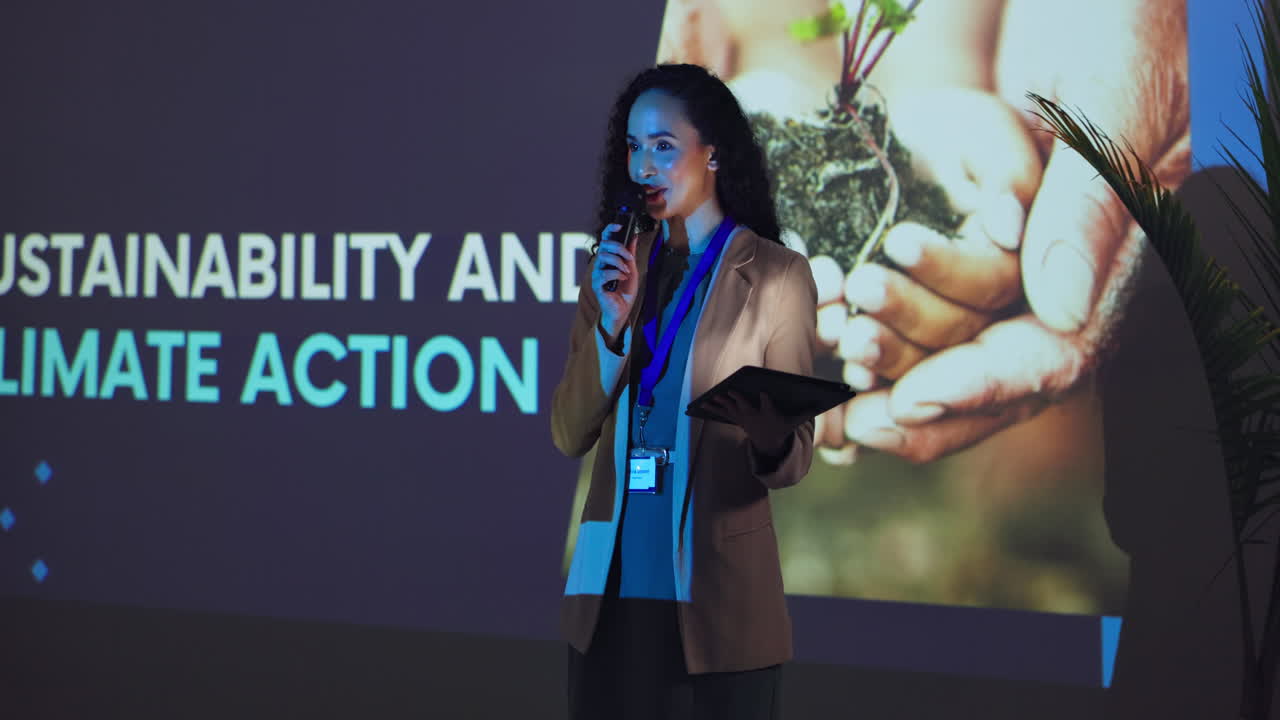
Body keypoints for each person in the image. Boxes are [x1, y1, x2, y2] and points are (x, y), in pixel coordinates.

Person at [550, 63, 818, 719]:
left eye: (663, 146)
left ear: (714, 151)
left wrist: (768, 435)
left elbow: (796, 456)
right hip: (609, 598)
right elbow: (567, 433)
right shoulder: (615, 270)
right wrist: (612, 327)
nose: (644, 165)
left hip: (720, 604)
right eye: (635, 147)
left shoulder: (777, 275)